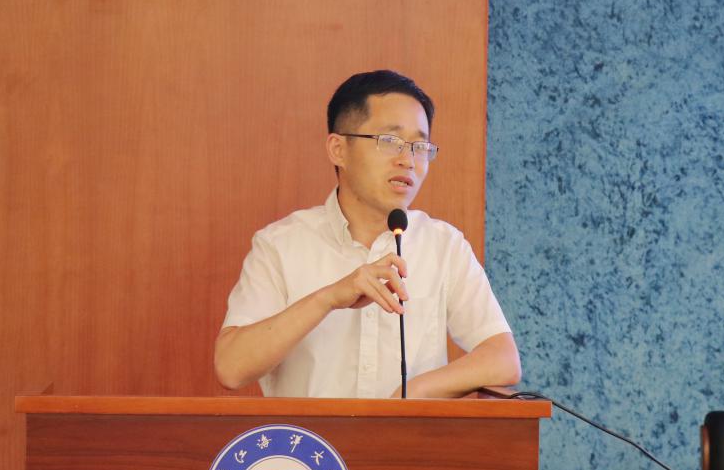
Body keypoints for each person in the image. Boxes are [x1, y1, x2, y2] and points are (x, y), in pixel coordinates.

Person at [214, 70, 521, 398]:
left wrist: (413, 392)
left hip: (410, 431)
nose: (408, 161)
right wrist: (328, 298)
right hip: (309, 434)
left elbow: (503, 359)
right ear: (338, 149)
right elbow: (231, 368)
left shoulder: (444, 246)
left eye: (419, 146)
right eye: (390, 142)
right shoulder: (280, 245)